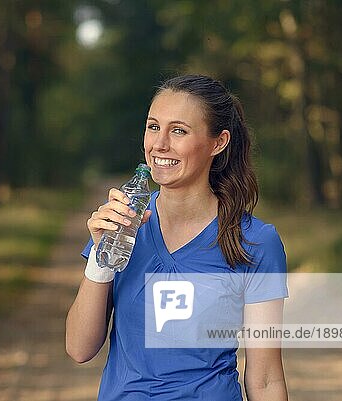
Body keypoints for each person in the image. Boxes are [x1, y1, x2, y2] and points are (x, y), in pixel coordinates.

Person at [65, 74, 289, 401]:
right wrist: (101, 259)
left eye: (179, 131)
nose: (159, 144)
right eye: (153, 126)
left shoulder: (255, 241)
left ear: (218, 142)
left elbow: (266, 379)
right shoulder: (122, 223)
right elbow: (78, 348)